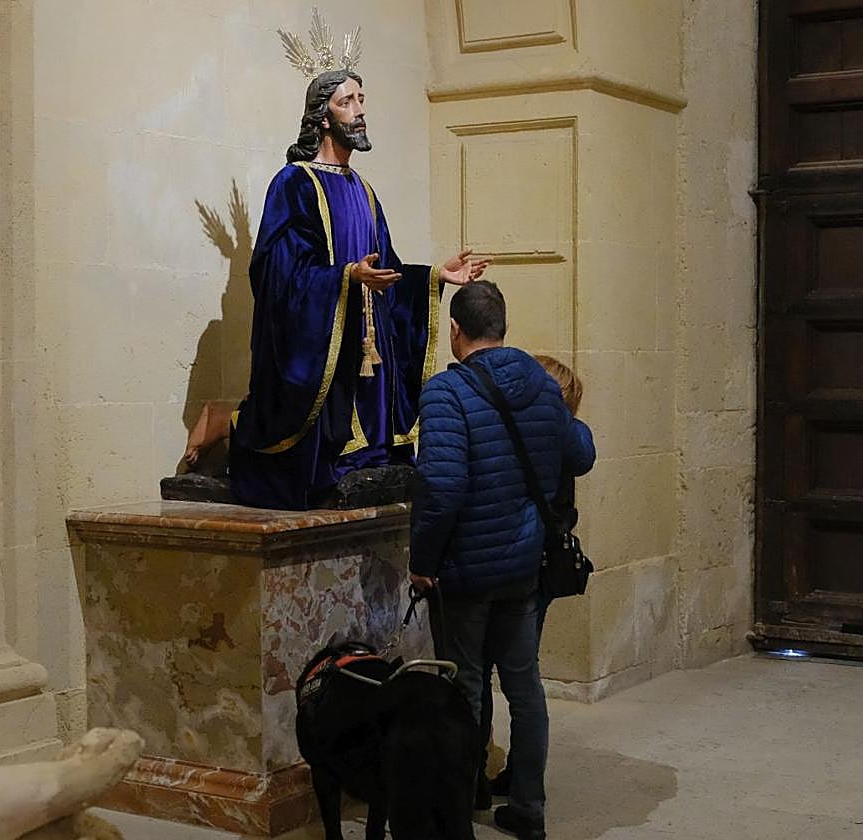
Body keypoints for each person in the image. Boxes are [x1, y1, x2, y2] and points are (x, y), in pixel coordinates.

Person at [228, 64, 486, 510]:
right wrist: (343, 278)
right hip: (330, 343)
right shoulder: (294, 183)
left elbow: (384, 266)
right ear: (323, 117)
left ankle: (371, 455)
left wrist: (433, 277)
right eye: (346, 102)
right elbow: (276, 272)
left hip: (371, 345)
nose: (359, 111)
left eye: (361, 100)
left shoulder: (364, 190)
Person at [408, 281, 595, 840]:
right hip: (523, 566)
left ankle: (462, 801)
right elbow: (580, 455)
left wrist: (423, 559)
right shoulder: (541, 384)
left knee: (465, 685)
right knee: (524, 685)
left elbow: (441, 487)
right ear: (504, 327)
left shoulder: (445, 392)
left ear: (456, 331)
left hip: (466, 569)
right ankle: (529, 809)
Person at [485, 354, 585, 800]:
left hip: (512, 565)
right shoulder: (568, 440)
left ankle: (480, 781)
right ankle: (525, 786)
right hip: (538, 568)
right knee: (523, 680)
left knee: (488, 674)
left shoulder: (540, 437)